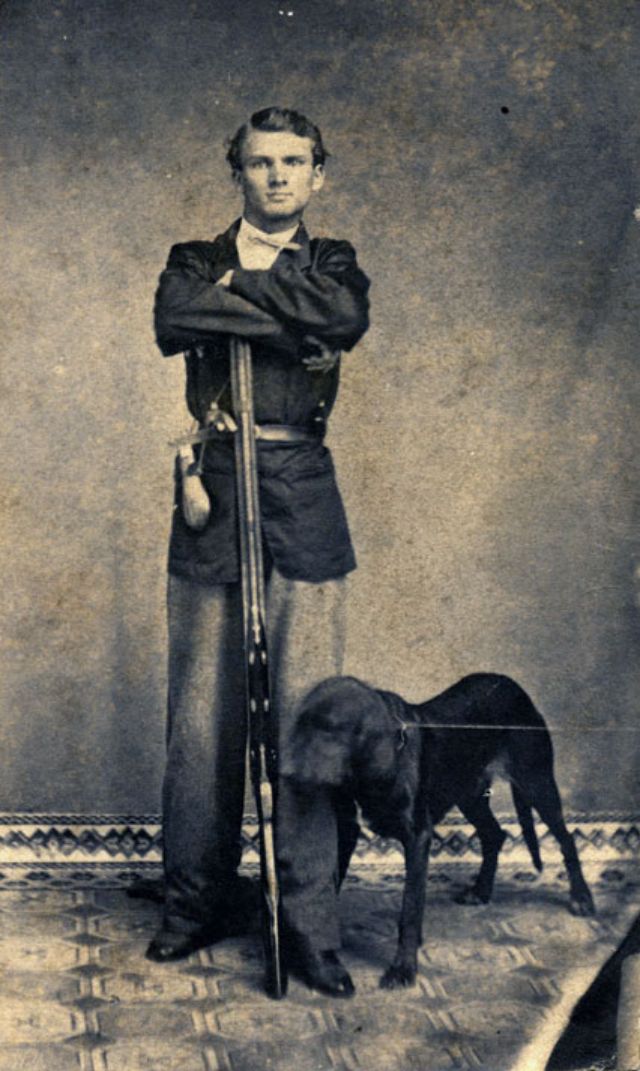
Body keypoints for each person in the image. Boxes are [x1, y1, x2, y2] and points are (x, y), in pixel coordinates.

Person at [147, 106, 370, 995]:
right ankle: (192, 905)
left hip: (303, 494)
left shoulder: (336, 260)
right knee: (201, 720)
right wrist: (274, 306)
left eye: (294, 163)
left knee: (312, 721)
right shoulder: (192, 260)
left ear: (318, 174)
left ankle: (309, 926)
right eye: (259, 162)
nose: (277, 177)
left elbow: (340, 315)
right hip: (214, 492)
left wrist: (239, 300)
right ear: (234, 171)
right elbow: (175, 314)